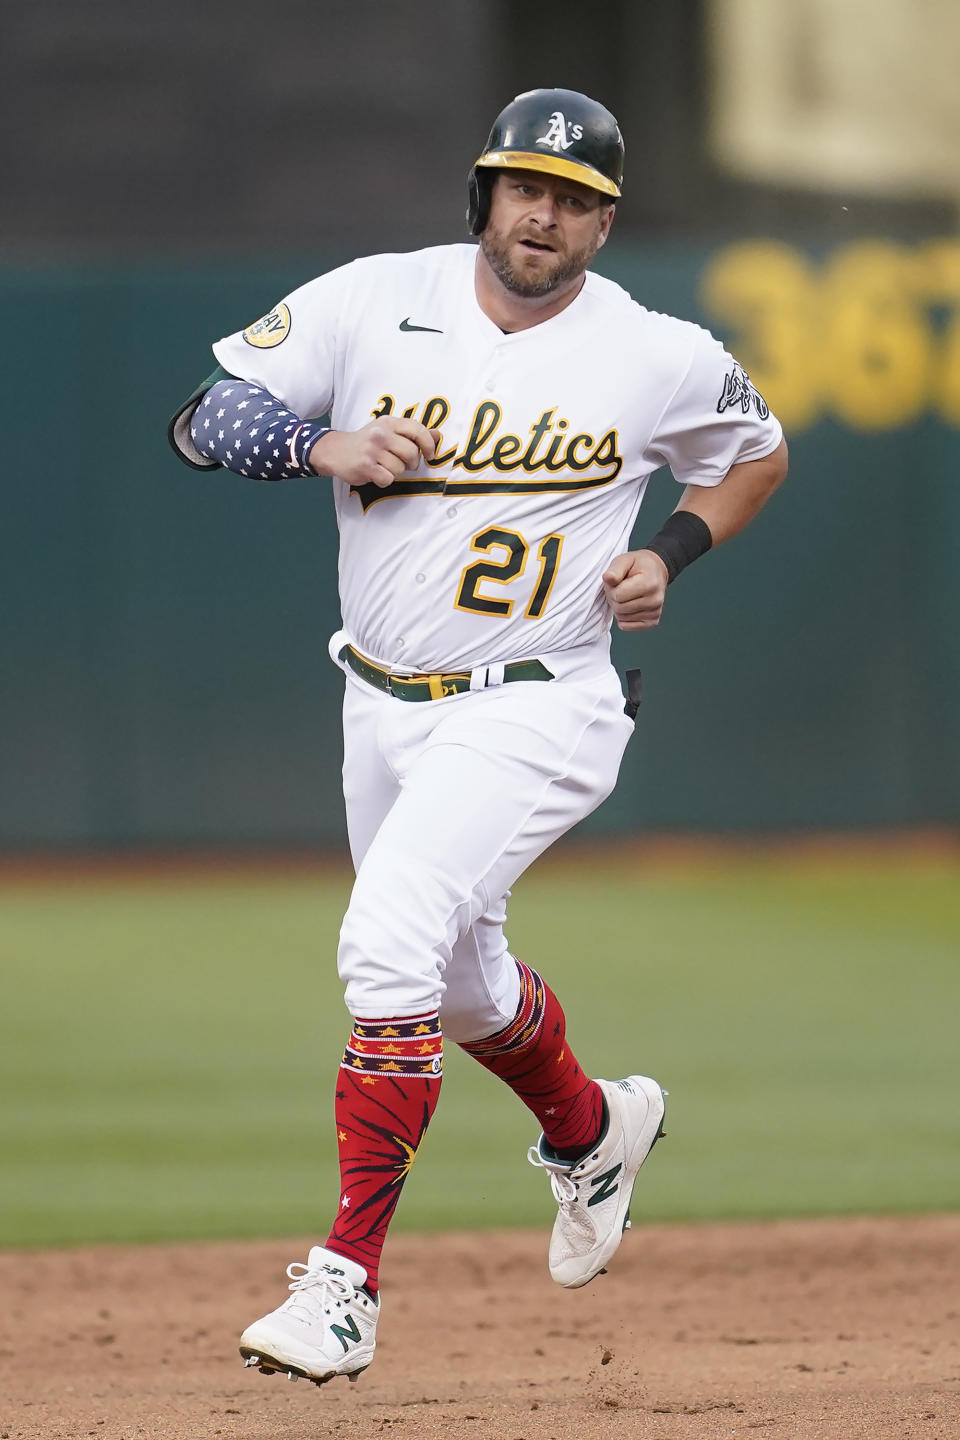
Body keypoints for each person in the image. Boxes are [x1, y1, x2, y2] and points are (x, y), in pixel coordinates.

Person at [168, 86, 787, 1389]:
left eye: (576, 199)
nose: (546, 215)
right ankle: (594, 1127)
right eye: (527, 188)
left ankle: (344, 1286)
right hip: (380, 701)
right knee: (453, 985)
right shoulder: (372, 298)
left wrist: (672, 549)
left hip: (542, 699)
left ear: (606, 225)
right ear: (485, 196)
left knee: (385, 941)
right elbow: (204, 418)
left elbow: (755, 452)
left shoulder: (653, 351)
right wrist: (321, 442)